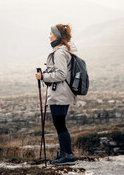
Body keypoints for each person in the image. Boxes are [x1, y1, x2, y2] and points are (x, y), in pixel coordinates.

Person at [35, 24, 78, 166]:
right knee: (60, 124)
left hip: (59, 94)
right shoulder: (66, 50)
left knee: (60, 125)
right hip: (64, 93)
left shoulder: (60, 52)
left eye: (51, 33)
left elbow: (61, 74)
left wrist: (43, 77)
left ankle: (67, 156)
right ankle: (64, 153)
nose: (49, 36)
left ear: (57, 36)